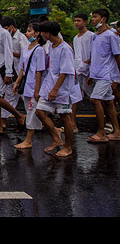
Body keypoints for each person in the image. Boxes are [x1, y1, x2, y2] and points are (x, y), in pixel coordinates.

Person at [34, 20, 81, 157]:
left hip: (62, 88)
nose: (41, 35)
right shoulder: (52, 46)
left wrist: (56, 89)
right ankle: (56, 138)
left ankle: (68, 147)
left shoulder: (65, 48)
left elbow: (65, 71)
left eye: (42, 32)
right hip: (50, 84)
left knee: (65, 117)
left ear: (47, 33)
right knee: (40, 112)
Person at [0, 11, 26, 133]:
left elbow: (8, 53)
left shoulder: (4, 34)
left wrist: (8, 72)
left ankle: (18, 115)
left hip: (1, 69)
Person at [87, 8, 120, 143]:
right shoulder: (95, 36)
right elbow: (95, 57)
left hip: (107, 75)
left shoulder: (111, 36)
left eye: (95, 17)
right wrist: (91, 73)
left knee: (95, 100)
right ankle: (117, 131)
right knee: (109, 102)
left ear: (103, 19)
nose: (93, 19)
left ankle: (101, 132)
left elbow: (117, 56)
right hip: (97, 74)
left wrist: (118, 76)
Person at [12, 22, 46, 149]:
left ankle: (29, 139)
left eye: (29, 31)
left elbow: (39, 71)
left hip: (33, 86)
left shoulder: (39, 50)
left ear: (37, 33)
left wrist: (37, 89)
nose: (27, 33)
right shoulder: (26, 49)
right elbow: (22, 68)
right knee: (31, 111)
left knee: (32, 112)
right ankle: (55, 132)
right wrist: (17, 83)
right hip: (26, 85)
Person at [1, 16, 27, 120]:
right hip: (11, 72)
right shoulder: (6, 37)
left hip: (21, 72)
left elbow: (25, 55)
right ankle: (2, 121)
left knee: (25, 98)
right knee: (9, 97)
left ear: (11, 27)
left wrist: (10, 54)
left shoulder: (21, 38)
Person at [71, 13, 94, 131]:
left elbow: (94, 54)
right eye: (75, 20)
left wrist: (89, 68)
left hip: (89, 70)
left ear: (85, 22)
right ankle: (72, 123)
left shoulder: (91, 36)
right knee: (74, 97)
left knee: (94, 98)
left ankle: (108, 122)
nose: (76, 23)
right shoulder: (76, 38)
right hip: (78, 70)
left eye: (79, 20)